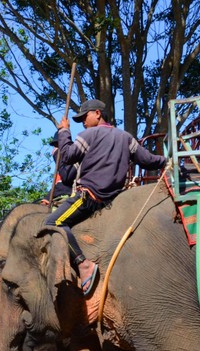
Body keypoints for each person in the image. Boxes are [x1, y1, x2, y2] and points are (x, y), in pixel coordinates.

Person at [47, 99, 167, 295]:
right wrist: (167, 161)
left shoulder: (88, 135)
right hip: (113, 198)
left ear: (97, 113)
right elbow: (148, 160)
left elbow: (67, 156)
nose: (83, 122)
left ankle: (83, 265)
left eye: (84, 117)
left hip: (89, 198)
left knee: (52, 222)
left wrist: (64, 131)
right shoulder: (126, 138)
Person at [41, 131, 78, 207]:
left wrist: (57, 154)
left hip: (70, 197)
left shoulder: (73, 160)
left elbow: (66, 178)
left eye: (57, 146)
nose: (54, 149)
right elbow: (58, 185)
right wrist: (47, 199)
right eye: (54, 146)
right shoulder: (61, 170)